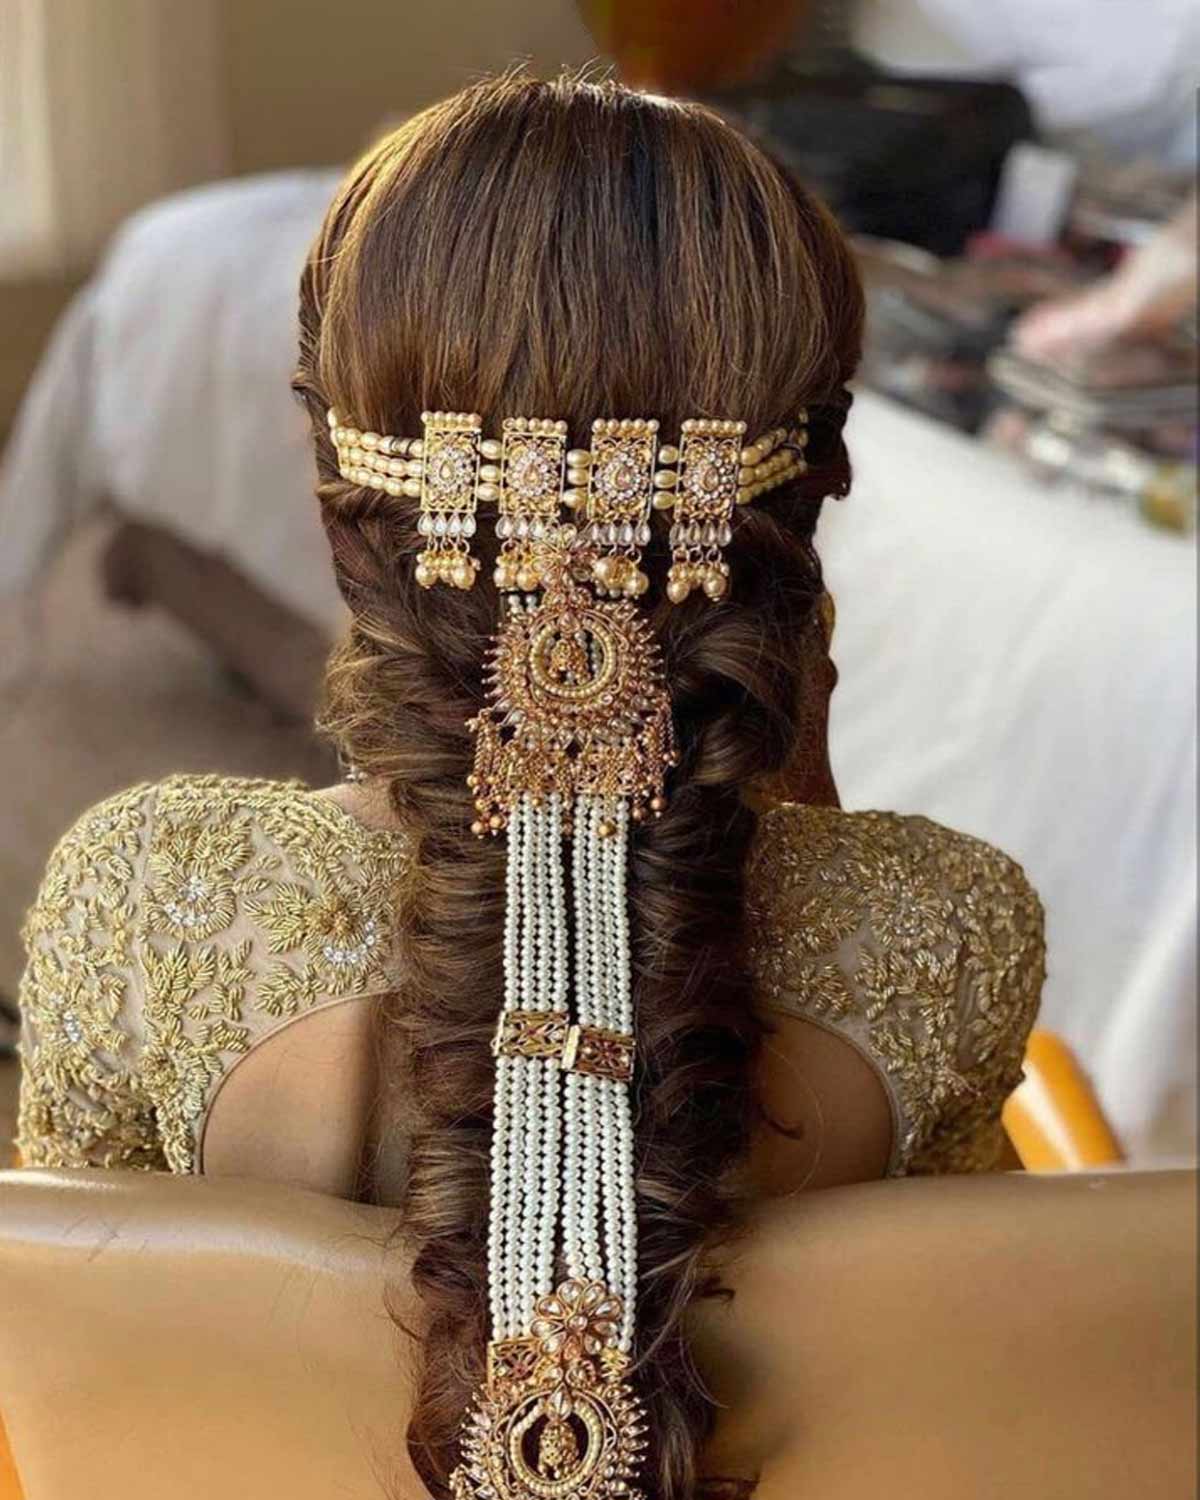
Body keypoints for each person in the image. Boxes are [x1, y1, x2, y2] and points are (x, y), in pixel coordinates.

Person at [14, 74, 1046, 1499]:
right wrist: (788, 757)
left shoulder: (142, 898)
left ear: (343, 493)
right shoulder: (945, 930)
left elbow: (67, 1372)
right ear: (813, 491)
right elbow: (977, 1368)